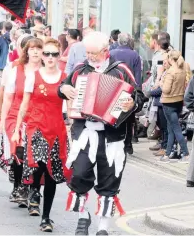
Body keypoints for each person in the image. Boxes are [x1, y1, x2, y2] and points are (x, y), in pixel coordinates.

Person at [58, 32, 145, 235]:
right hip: (85, 133)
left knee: (109, 180)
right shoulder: (81, 69)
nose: (89, 56)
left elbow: (138, 95)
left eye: (93, 53)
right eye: (87, 52)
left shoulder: (121, 70)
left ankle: (103, 228)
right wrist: (65, 90)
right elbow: (62, 86)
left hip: (112, 136)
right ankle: (83, 218)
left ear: (106, 51)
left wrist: (132, 102)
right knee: (78, 175)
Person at [11, 38, 71, 232]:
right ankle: (35, 188)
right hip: (36, 126)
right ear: (43, 56)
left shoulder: (66, 77)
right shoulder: (33, 76)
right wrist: (16, 130)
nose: (50, 58)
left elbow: (70, 108)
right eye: (47, 54)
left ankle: (46, 218)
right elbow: (24, 104)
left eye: (55, 54)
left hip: (57, 129)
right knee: (39, 160)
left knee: (52, 174)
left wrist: (72, 129)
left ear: (59, 55)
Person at [0, 35, 41, 208]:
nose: (36, 52)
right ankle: (19, 185)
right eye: (32, 49)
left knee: (36, 154)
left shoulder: (46, 71)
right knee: (19, 151)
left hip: (38, 117)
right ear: (26, 51)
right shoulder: (17, 69)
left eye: (39, 49)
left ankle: (31, 187)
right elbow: (8, 97)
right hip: (16, 115)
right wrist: (1, 119)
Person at [110, 32, 142, 154]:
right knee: (129, 117)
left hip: (113, 88)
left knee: (114, 114)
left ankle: (114, 140)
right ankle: (128, 144)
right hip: (129, 88)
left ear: (118, 41)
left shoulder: (112, 53)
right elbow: (137, 76)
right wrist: (137, 92)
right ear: (129, 41)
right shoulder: (135, 55)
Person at [159, 50, 190, 163]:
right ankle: (167, 154)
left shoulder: (171, 71)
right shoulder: (183, 69)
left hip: (168, 103)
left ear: (171, 59)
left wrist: (161, 83)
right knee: (171, 128)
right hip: (178, 101)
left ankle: (186, 153)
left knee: (175, 129)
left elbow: (166, 90)